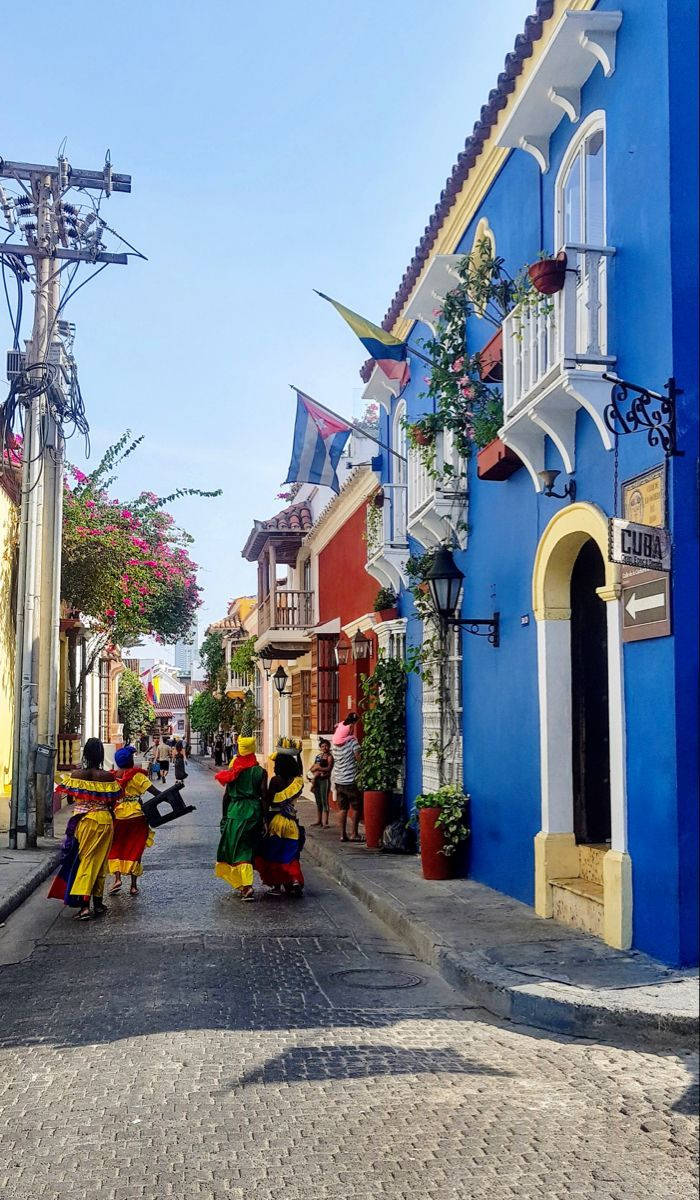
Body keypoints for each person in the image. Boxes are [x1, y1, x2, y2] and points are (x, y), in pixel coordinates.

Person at [48, 738, 121, 920]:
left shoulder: (76, 775)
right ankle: (98, 903)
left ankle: (84, 906)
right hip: (105, 821)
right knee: (101, 862)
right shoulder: (107, 777)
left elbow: (71, 798)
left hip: (85, 822)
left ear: (86, 754)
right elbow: (113, 799)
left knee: (86, 860)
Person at [214, 735, 266, 901]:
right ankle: (248, 883)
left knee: (238, 849)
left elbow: (226, 797)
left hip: (235, 812)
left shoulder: (233, 771)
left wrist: (224, 817)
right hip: (254, 812)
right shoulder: (260, 772)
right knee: (248, 846)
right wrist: (265, 818)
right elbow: (264, 797)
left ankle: (247, 886)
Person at [108, 745, 158, 897]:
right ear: (131, 761)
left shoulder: (113, 776)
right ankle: (133, 886)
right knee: (136, 849)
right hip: (137, 817)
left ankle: (117, 879)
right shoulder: (137, 776)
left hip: (118, 816)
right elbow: (155, 792)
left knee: (116, 847)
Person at [255, 749, 305, 897]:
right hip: (291, 822)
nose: (275, 766)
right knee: (291, 853)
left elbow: (268, 800)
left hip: (276, 821)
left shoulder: (276, 780)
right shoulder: (296, 781)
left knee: (274, 854)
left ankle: (277, 886)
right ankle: (295, 880)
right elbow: (300, 772)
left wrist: (263, 817)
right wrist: (298, 756)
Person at [332, 712, 363, 843]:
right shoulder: (352, 743)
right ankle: (354, 833)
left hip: (338, 779)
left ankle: (342, 834)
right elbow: (359, 759)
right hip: (350, 780)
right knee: (356, 807)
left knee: (342, 808)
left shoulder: (334, 744)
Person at [309, 737, 334, 827]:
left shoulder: (330, 757)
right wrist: (313, 771)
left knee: (324, 801)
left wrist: (318, 768)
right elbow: (312, 767)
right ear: (320, 748)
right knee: (318, 801)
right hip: (317, 781)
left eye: (326, 746)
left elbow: (329, 768)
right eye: (322, 746)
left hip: (324, 781)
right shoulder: (318, 756)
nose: (324, 748)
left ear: (329, 746)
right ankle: (319, 820)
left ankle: (325, 822)